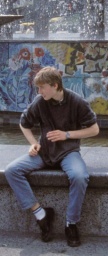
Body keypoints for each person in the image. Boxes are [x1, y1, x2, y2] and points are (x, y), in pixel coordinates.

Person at [5, 67, 99, 247]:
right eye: (37, 88)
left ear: (55, 85)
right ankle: (41, 214)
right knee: (11, 170)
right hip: (44, 153)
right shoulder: (40, 102)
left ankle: (71, 224)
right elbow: (24, 124)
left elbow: (95, 129)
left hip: (68, 153)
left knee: (80, 176)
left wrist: (67, 135)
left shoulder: (77, 102)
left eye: (42, 87)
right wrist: (33, 143)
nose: (39, 92)